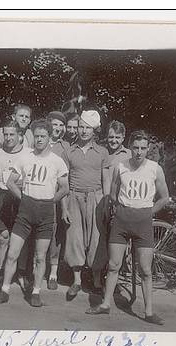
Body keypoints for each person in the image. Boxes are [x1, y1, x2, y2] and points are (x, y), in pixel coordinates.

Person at [86, 129, 170, 324]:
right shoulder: (121, 166)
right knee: (114, 265)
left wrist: (149, 212)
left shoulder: (155, 168)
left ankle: (149, 312)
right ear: (130, 147)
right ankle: (105, 304)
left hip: (143, 223)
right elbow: (113, 194)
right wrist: (123, 209)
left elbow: (165, 197)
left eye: (143, 148)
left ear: (148, 148)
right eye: (135, 148)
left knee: (145, 270)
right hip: (122, 221)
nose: (139, 152)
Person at [0, 119, 69, 308]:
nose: (39, 140)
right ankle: (5, 290)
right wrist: (23, 198)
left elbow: (65, 188)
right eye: (37, 136)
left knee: (40, 257)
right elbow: (9, 182)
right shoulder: (25, 157)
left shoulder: (57, 161)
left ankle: (35, 292)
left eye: (43, 136)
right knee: (12, 253)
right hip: (25, 210)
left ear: (50, 138)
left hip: (45, 213)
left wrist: (51, 200)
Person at [62, 109, 109, 297]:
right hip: (74, 197)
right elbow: (63, 181)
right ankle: (77, 281)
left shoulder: (102, 152)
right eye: (81, 127)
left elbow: (105, 179)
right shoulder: (69, 151)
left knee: (96, 238)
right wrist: (64, 207)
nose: (83, 131)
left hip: (95, 198)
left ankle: (97, 280)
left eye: (87, 128)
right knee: (75, 238)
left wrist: (106, 202)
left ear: (94, 130)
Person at [0, 120, 32, 291]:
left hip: (22, 196)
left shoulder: (28, 153)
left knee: (21, 238)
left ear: (19, 136)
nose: (8, 138)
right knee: (3, 237)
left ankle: (21, 273)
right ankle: (0, 272)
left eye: (11, 134)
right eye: (5, 134)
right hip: (4, 197)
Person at [46, 111, 71, 289]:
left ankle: (53, 273)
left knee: (55, 235)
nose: (58, 128)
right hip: (39, 195)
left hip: (57, 196)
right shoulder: (39, 142)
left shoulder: (66, 147)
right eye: (55, 124)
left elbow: (66, 178)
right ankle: (33, 269)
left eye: (61, 125)